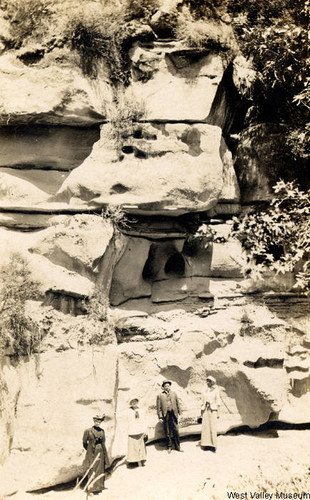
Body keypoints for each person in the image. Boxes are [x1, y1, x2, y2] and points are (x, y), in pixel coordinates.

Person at [82, 415, 110, 495]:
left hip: (100, 452)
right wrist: (90, 450)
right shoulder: (88, 431)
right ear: (94, 421)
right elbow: (84, 443)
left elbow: (103, 442)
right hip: (91, 452)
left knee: (100, 469)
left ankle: (99, 487)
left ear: (101, 422)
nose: (97, 423)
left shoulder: (102, 431)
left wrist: (104, 454)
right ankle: (91, 489)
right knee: (92, 469)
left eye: (99, 422)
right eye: (96, 421)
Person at [157, 380, 183, 453]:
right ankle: (169, 446)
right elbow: (159, 408)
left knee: (176, 430)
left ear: (170, 386)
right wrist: (160, 417)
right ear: (163, 387)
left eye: (168, 386)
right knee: (167, 431)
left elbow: (177, 403)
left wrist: (179, 412)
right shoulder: (160, 395)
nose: (167, 387)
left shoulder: (174, 393)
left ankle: (178, 446)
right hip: (166, 415)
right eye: (165, 386)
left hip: (173, 414)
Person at [200, 375, 220, 452]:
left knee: (212, 427)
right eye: (207, 381)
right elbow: (202, 401)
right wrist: (201, 410)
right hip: (206, 410)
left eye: (209, 381)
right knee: (205, 427)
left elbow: (218, 401)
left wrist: (218, 413)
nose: (207, 382)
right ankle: (205, 444)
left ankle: (213, 445)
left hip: (213, 410)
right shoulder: (205, 390)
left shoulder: (216, 390)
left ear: (212, 382)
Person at [126, 398, 147, 467]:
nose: (134, 403)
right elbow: (126, 421)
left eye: (135, 401)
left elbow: (143, 420)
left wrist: (144, 430)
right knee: (133, 447)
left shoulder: (140, 410)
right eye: (132, 402)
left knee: (140, 446)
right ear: (130, 403)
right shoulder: (128, 411)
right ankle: (132, 461)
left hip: (140, 430)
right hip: (132, 431)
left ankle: (140, 461)